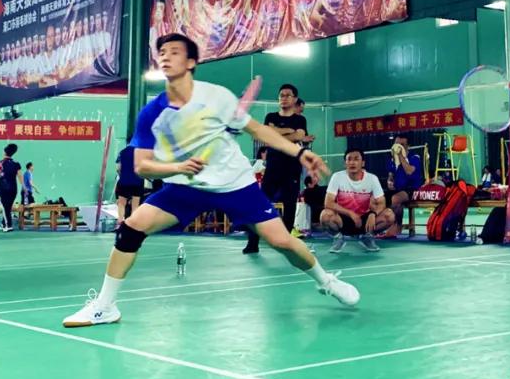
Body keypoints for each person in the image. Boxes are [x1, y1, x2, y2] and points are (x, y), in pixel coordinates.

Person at [62, 33, 357, 328]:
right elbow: (142, 167)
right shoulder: (152, 113)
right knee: (131, 229)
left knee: (282, 242)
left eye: (174, 52)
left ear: (191, 62)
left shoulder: (216, 97)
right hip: (185, 187)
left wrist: (300, 152)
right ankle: (105, 306)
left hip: (235, 184)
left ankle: (326, 281)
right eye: (162, 52)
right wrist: (177, 167)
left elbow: (257, 130)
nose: (165, 56)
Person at [243, 83, 307, 253]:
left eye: (287, 95)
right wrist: (288, 132)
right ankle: (253, 242)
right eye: (281, 95)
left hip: (291, 169)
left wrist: (275, 131)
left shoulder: (300, 119)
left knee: (289, 207)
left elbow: (299, 135)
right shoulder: (270, 116)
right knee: (260, 205)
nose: (283, 98)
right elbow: (266, 137)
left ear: (294, 99)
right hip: (272, 169)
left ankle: (285, 243)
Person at [321, 149, 393, 253]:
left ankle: (368, 237)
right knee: (325, 215)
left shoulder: (372, 178)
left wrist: (373, 213)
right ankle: (338, 238)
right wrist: (351, 214)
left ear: (363, 163)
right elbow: (328, 202)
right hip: (343, 220)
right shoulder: (337, 177)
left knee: (389, 215)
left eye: (356, 159)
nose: (352, 162)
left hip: (364, 221)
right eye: (349, 159)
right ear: (345, 163)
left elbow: (382, 202)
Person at [387, 135, 424, 235]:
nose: (398, 147)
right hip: (398, 189)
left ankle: (397, 227)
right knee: (378, 198)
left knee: (396, 198)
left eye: (402, 145)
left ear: (408, 146)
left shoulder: (414, 157)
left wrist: (400, 156)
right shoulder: (392, 159)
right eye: (396, 144)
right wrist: (390, 181)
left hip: (413, 189)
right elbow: (390, 175)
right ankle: (377, 228)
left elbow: (409, 171)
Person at [114, 144, 146, 226]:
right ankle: (132, 224)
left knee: (121, 203)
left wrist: (123, 175)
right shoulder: (141, 152)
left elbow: (118, 168)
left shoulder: (122, 152)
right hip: (138, 181)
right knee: (135, 205)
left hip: (124, 181)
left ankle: (120, 221)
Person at [0, 144, 24, 233]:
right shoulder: (16, 163)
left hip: (3, 187)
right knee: (8, 207)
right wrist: (24, 186)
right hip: (13, 188)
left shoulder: (0, 163)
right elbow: (20, 176)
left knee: (5, 207)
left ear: (4, 152)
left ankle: (8, 225)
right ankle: (4, 223)